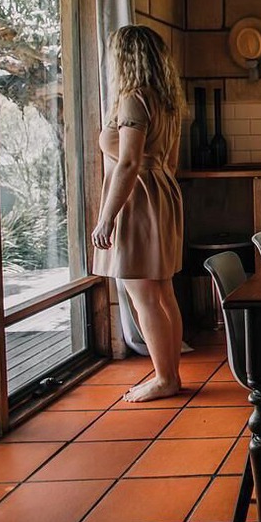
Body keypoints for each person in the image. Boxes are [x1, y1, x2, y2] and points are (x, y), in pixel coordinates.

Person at [91, 25, 186, 402]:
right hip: (161, 191)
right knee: (163, 291)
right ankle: (170, 371)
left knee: (143, 293)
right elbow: (170, 161)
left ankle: (165, 378)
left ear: (125, 59)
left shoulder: (133, 100)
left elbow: (129, 163)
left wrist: (106, 217)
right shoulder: (166, 102)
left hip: (139, 196)